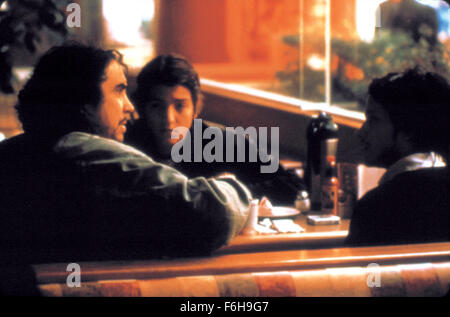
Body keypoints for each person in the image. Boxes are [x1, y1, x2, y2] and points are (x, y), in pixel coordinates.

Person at [0, 44, 252, 266]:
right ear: (84, 100)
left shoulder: (18, 150)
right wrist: (231, 186)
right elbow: (215, 213)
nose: (130, 107)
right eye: (118, 91)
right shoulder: (87, 154)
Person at [125, 53, 305, 205]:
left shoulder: (221, 142)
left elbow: (293, 186)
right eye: (157, 106)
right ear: (143, 109)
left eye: (179, 106)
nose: (168, 118)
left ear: (195, 109)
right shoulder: (125, 144)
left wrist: (228, 192)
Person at [345, 68, 450, 246]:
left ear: (408, 131)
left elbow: (363, 274)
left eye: (374, 120)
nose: (361, 132)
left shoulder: (377, 208)